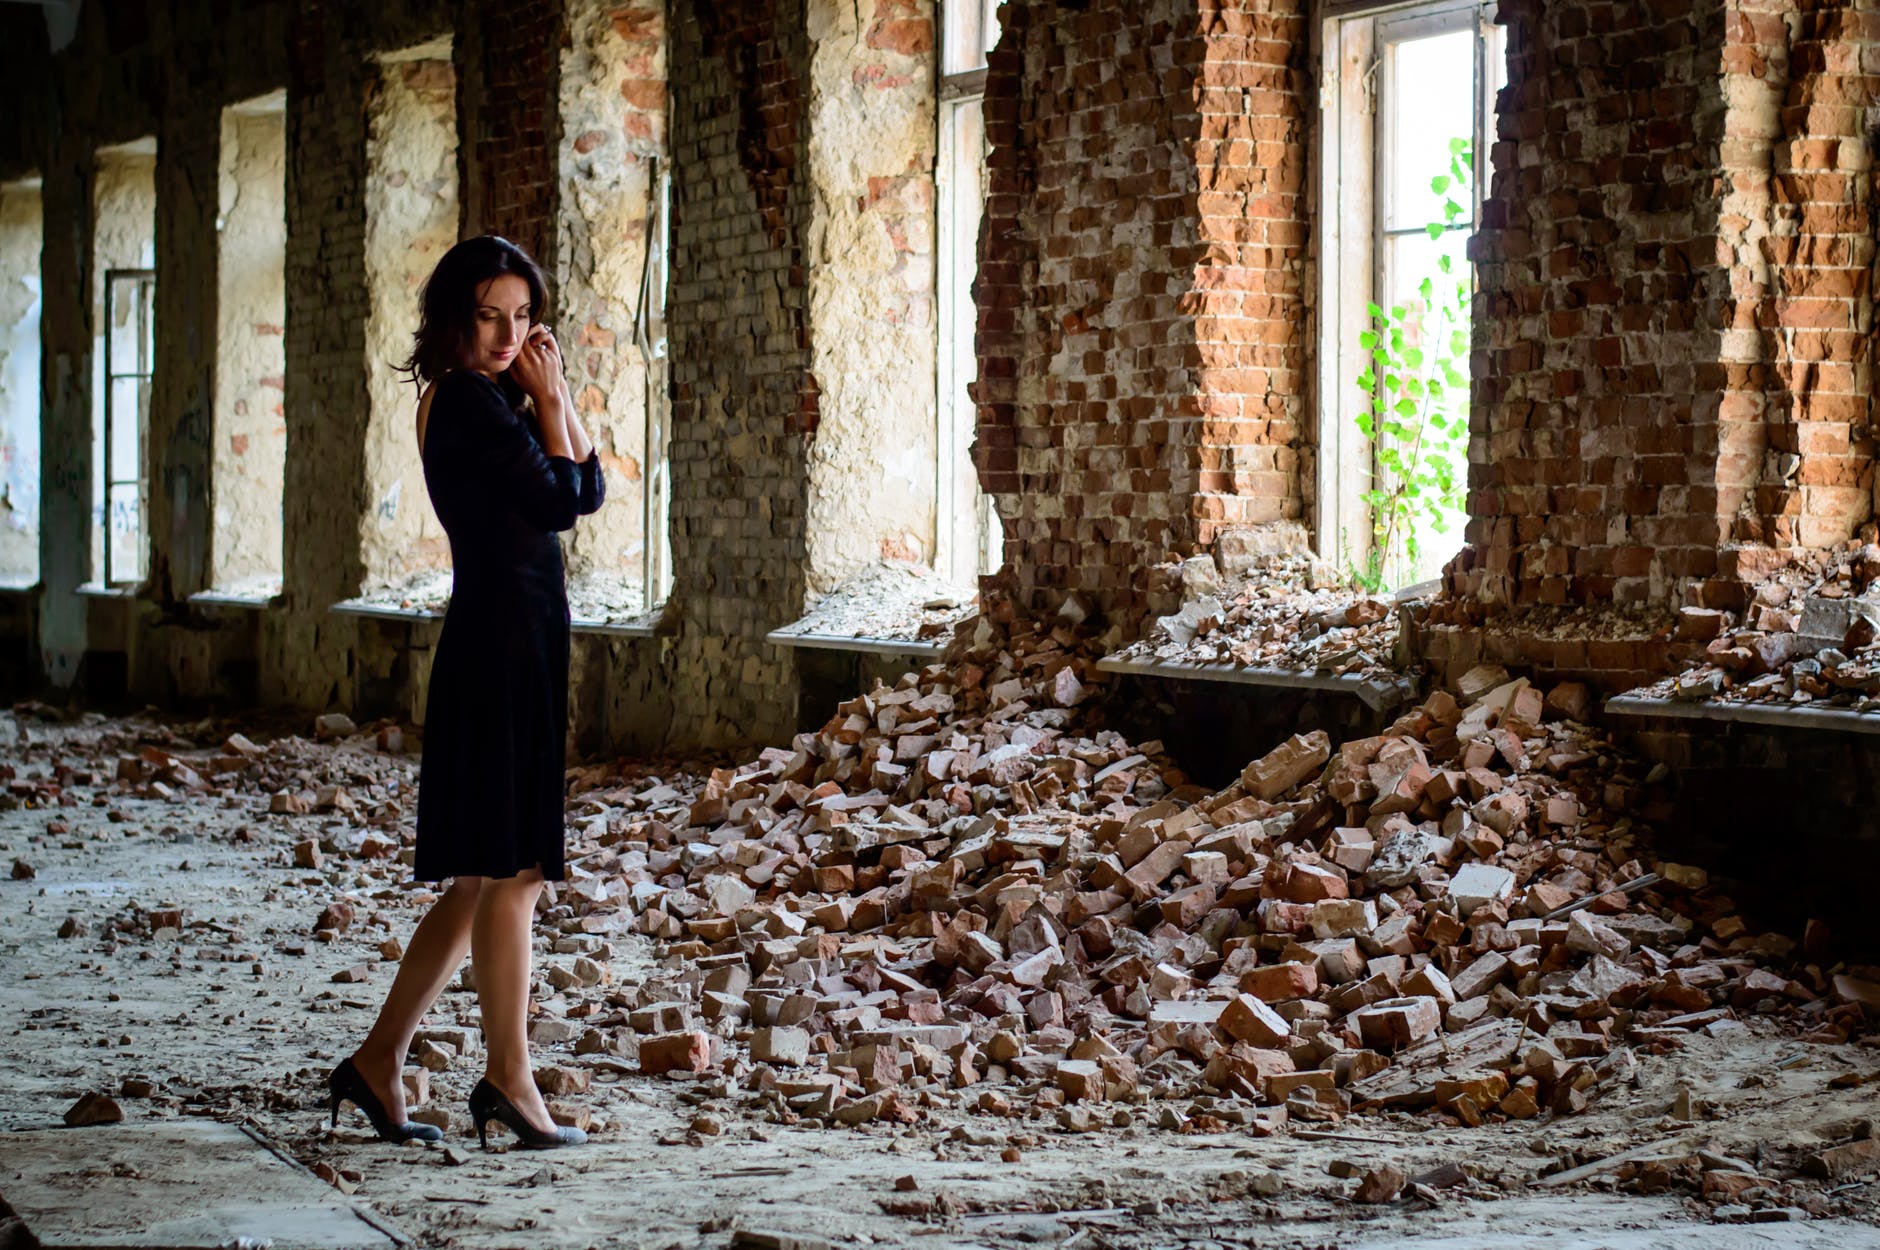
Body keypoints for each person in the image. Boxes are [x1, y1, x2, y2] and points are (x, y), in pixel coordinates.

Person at [327, 235, 605, 1150]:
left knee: (483, 873)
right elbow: (565, 499)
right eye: (491, 315)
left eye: (523, 317)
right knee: (517, 872)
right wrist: (552, 401)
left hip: (511, 637)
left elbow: (586, 486)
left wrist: (553, 402)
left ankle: (378, 1062)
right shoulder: (471, 408)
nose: (508, 333)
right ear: (456, 314)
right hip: (500, 644)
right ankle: (510, 1081)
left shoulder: (492, 401)